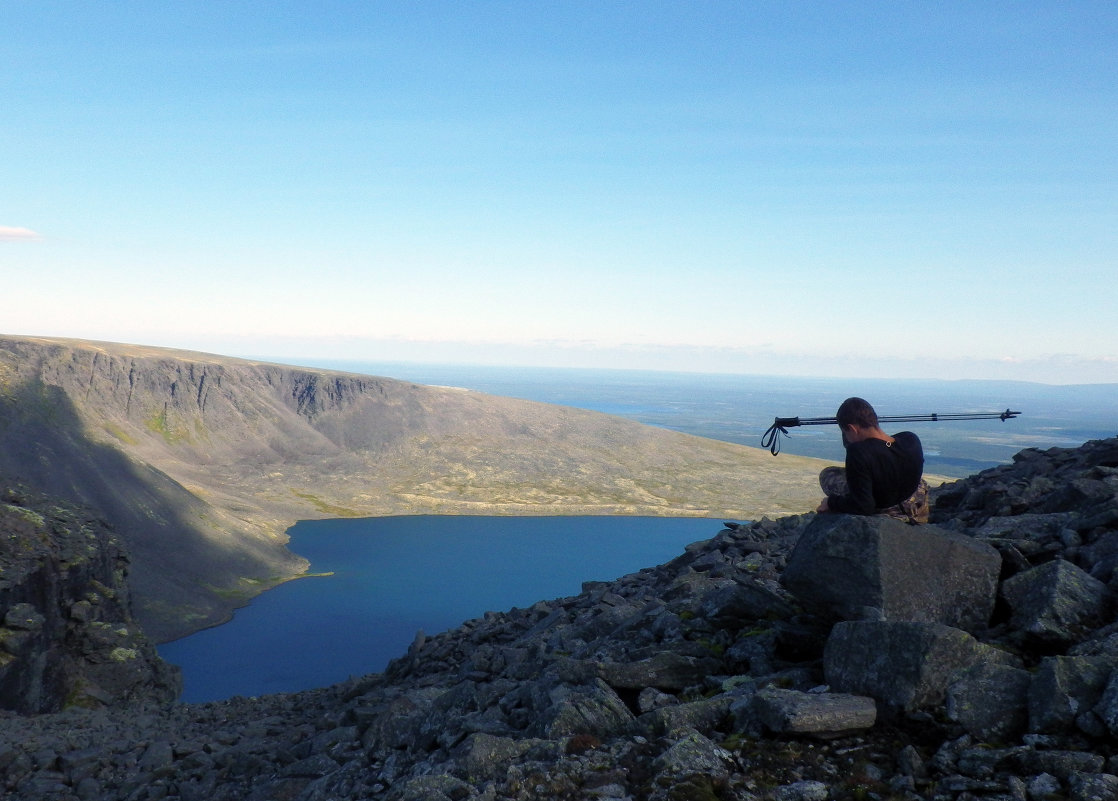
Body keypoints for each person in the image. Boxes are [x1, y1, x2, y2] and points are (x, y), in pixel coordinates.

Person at [815, 397, 929, 524]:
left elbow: (863, 506)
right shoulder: (910, 439)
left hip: (886, 509)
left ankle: (890, 512)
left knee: (829, 475)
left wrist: (831, 502)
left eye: (846, 433)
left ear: (852, 429)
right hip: (914, 504)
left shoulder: (858, 453)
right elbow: (884, 449)